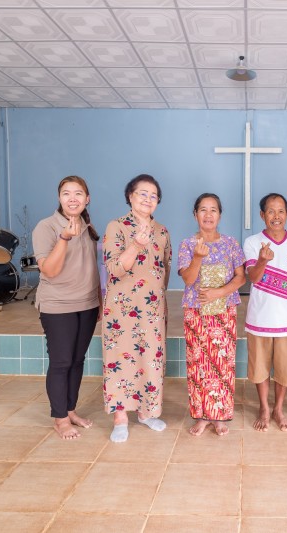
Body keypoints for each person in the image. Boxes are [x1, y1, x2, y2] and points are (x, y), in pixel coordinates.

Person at [102, 174, 172, 443]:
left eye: (153, 196)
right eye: (142, 193)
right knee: (121, 357)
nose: (148, 199)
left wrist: (157, 297)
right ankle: (120, 417)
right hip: (122, 309)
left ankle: (146, 411)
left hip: (152, 307)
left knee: (151, 359)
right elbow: (115, 268)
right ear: (130, 196)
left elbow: (164, 270)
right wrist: (136, 245)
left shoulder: (163, 231)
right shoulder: (116, 227)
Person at [32, 175, 101, 440]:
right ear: (59, 198)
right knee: (61, 362)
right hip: (57, 305)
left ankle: (70, 410)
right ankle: (59, 419)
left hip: (87, 304)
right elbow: (49, 270)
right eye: (66, 193)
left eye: (78, 193)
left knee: (77, 361)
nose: (73, 198)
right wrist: (64, 238)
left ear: (87, 198)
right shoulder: (46, 227)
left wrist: (99, 299)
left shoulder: (87, 225)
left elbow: (90, 267)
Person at [178, 193, 246, 437]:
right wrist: (198, 257)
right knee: (198, 363)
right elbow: (188, 279)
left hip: (224, 310)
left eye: (213, 210)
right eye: (203, 210)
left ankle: (219, 416)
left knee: (222, 363)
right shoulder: (187, 244)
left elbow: (241, 277)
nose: (208, 215)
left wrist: (219, 292)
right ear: (195, 214)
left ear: (219, 214)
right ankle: (202, 415)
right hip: (196, 312)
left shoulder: (230, 243)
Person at [244, 193, 287, 432]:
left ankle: (278, 408)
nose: (276, 216)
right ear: (262, 215)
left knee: (284, 369)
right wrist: (262, 260)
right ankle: (263, 407)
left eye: (280, 211)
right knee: (260, 368)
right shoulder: (252, 242)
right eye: (270, 211)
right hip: (259, 319)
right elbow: (252, 277)